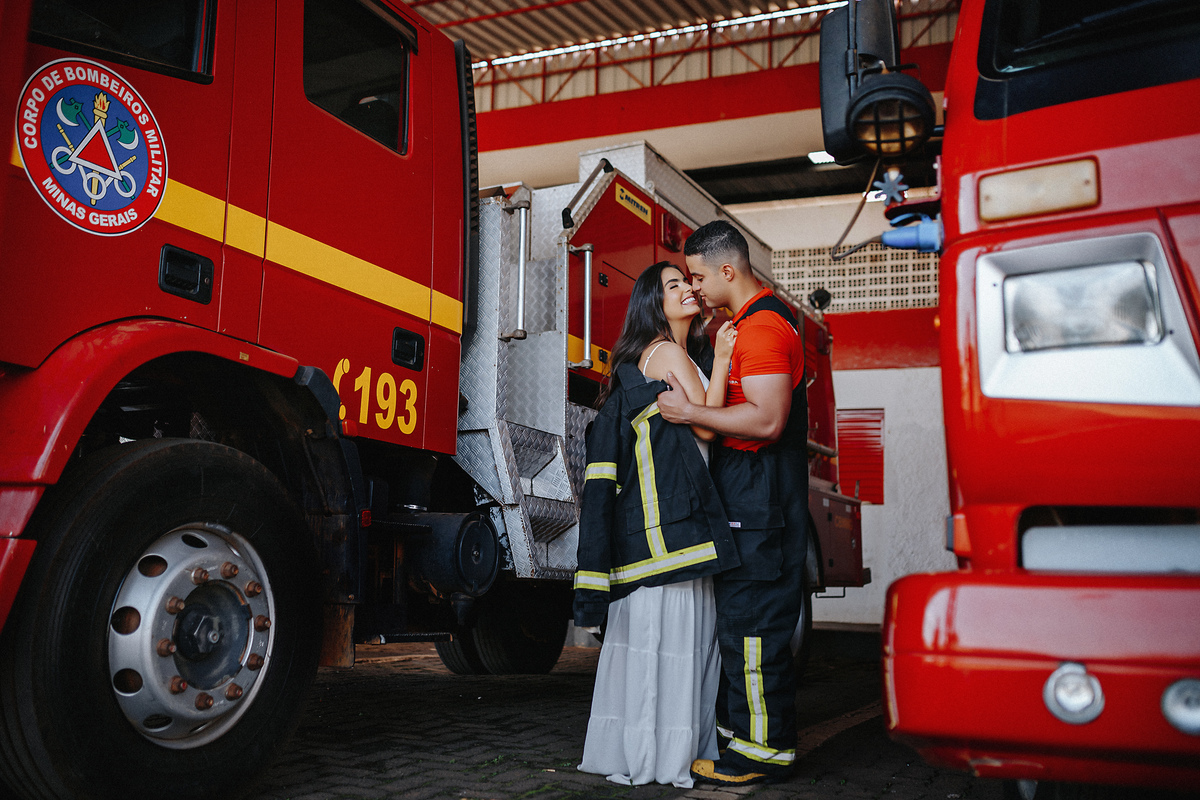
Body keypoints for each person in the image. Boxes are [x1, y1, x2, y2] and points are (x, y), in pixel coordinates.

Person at [574, 261, 741, 788]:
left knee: (650, 647)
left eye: (688, 283)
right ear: (653, 303)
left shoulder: (656, 355)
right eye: (675, 286)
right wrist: (725, 356)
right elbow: (707, 426)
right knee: (678, 645)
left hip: (654, 535)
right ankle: (668, 757)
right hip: (678, 531)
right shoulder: (667, 352)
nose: (689, 290)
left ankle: (638, 751)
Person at [655, 220, 808, 786]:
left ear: (728, 270)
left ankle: (759, 754)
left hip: (762, 502)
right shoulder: (742, 326)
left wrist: (690, 413)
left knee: (752, 628)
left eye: (696, 275)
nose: (693, 287)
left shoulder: (764, 328)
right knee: (741, 626)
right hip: (752, 499)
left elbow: (767, 420)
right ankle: (740, 740)